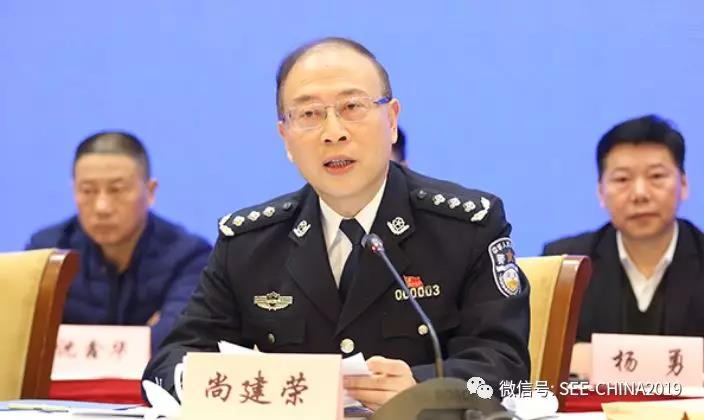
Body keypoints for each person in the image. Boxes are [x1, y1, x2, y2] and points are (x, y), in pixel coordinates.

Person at [144, 37, 530, 410]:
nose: (334, 133)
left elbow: (505, 368)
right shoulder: (248, 243)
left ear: (391, 120)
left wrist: (424, 388)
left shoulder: (467, 226)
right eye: (309, 114)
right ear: (285, 137)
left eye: (352, 107)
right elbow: (169, 365)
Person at [27, 131, 212, 352]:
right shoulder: (47, 253)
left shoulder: (189, 257)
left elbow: (175, 341)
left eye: (117, 190)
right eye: (87, 191)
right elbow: (26, 340)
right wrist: (140, 336)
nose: (102, 207)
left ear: (150, 191)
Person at [543, 115, 704, 342]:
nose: (640, 194)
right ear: (601, 192)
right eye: (622, 179)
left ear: (684, 184)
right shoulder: (565, 265)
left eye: (656, 176)